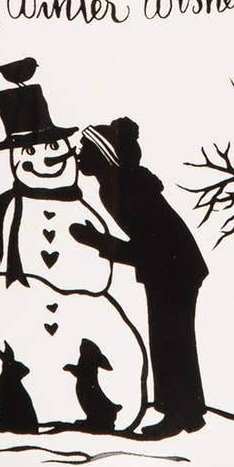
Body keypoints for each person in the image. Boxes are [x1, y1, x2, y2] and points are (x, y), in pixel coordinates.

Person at [72, 119, 209, 437]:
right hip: (168, 267)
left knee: (169, 339)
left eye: (84, 149)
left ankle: (178, 412)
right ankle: (187, 412)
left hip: (174, 267)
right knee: (171, 338)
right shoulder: (113, 185)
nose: (78, 155)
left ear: (103, 154)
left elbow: (151, 244)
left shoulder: (127, 186)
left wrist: (100, 243)